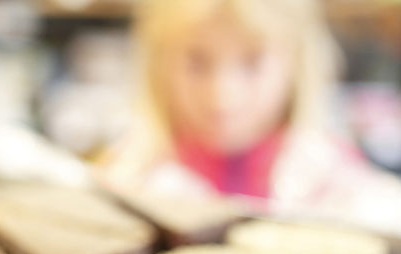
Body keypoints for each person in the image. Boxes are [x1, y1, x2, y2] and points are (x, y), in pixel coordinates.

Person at [104, 0, 401, 234]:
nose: (222, 96)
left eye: (253, 62)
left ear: (297, 62)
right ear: (159, 62)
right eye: (197, 61)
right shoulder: (131, 173)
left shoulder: (334, 177)